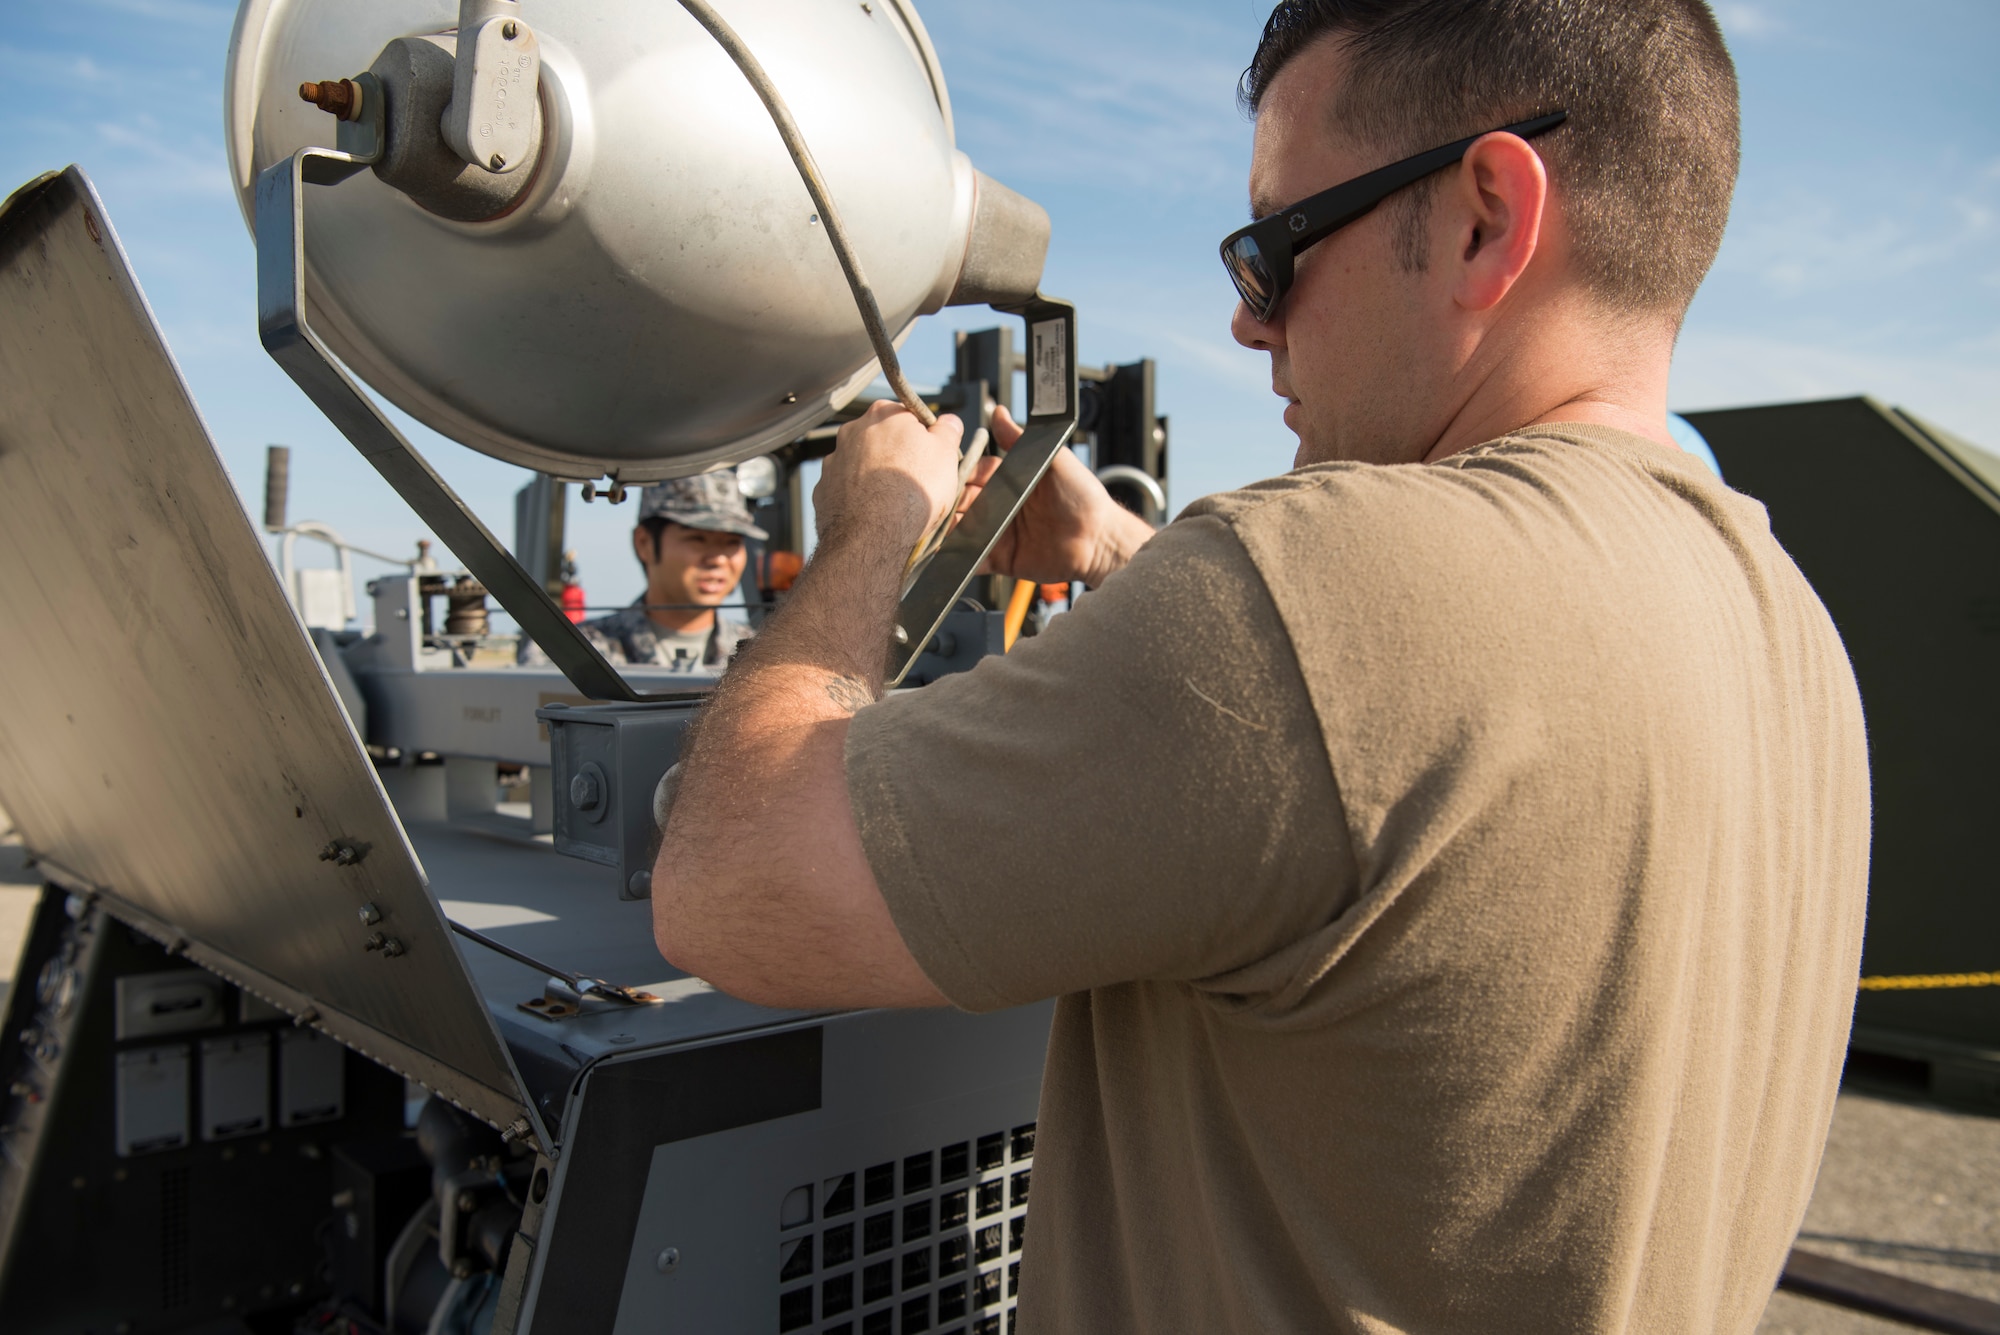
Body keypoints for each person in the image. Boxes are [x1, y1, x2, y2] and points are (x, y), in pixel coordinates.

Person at [652, 1, 1870, 1330]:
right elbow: (1384, 764)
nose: (1251, 324)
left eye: (1276, 246)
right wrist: (1128, 549)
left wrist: (876, 518)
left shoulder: (1320, 581)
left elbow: (731, 881)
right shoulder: (1790, 627)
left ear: (1484, 217)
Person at [522, 471, 763, 670]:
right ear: (644, 543)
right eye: (697, 539)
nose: (718, 559)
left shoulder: (763, 653)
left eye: (732, 542)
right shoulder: (572, 653)